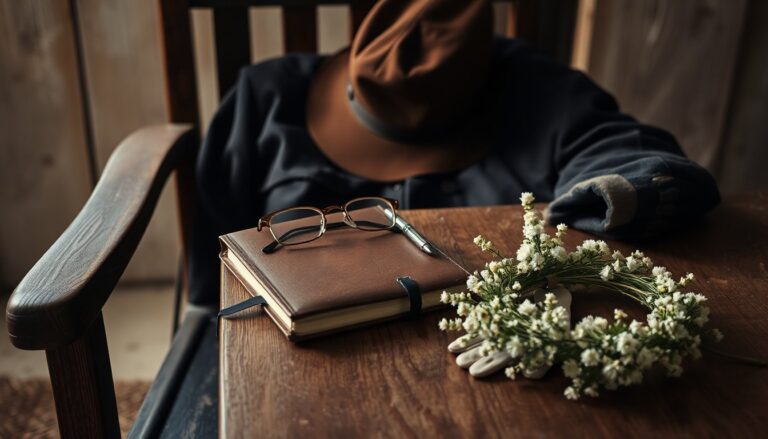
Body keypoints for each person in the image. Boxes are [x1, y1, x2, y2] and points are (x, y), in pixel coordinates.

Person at [188, 0, 719, 306]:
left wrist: (614, 192)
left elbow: (629, 155)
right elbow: (215, 252)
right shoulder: (265, 96)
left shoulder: (538, 91)